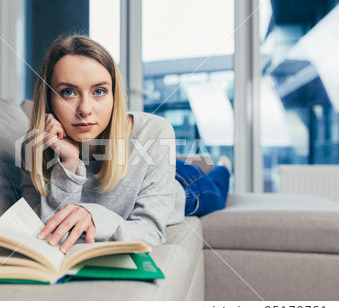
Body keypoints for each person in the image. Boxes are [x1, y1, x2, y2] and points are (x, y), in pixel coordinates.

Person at [20, 34, 230, 254]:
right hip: (147, 167)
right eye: (68, 92)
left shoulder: (154, 131)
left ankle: (223, 167)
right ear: (48, 99)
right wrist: (69, 163)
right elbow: (42, 230)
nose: (85, 109)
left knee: (216, 189)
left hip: (181, 186)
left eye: (99, 91)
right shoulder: (35, 144)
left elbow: (152, 232)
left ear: (114, 96)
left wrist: (94, 215)